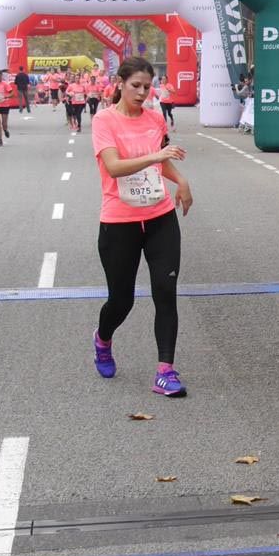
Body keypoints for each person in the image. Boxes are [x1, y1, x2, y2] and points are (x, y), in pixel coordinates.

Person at [90, 56, 194, 398]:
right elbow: (115, 167)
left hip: (160, 215)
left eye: (147, 87)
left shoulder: (153, 118)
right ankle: (103, 339)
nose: (142, 92)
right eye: (135, 85)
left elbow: (163, 162)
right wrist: (156, 157)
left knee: (166, 292)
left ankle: (165, 371)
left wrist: (181, 182)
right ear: (120, 83)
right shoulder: (104, 120)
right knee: (122, 300)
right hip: (120, 221)